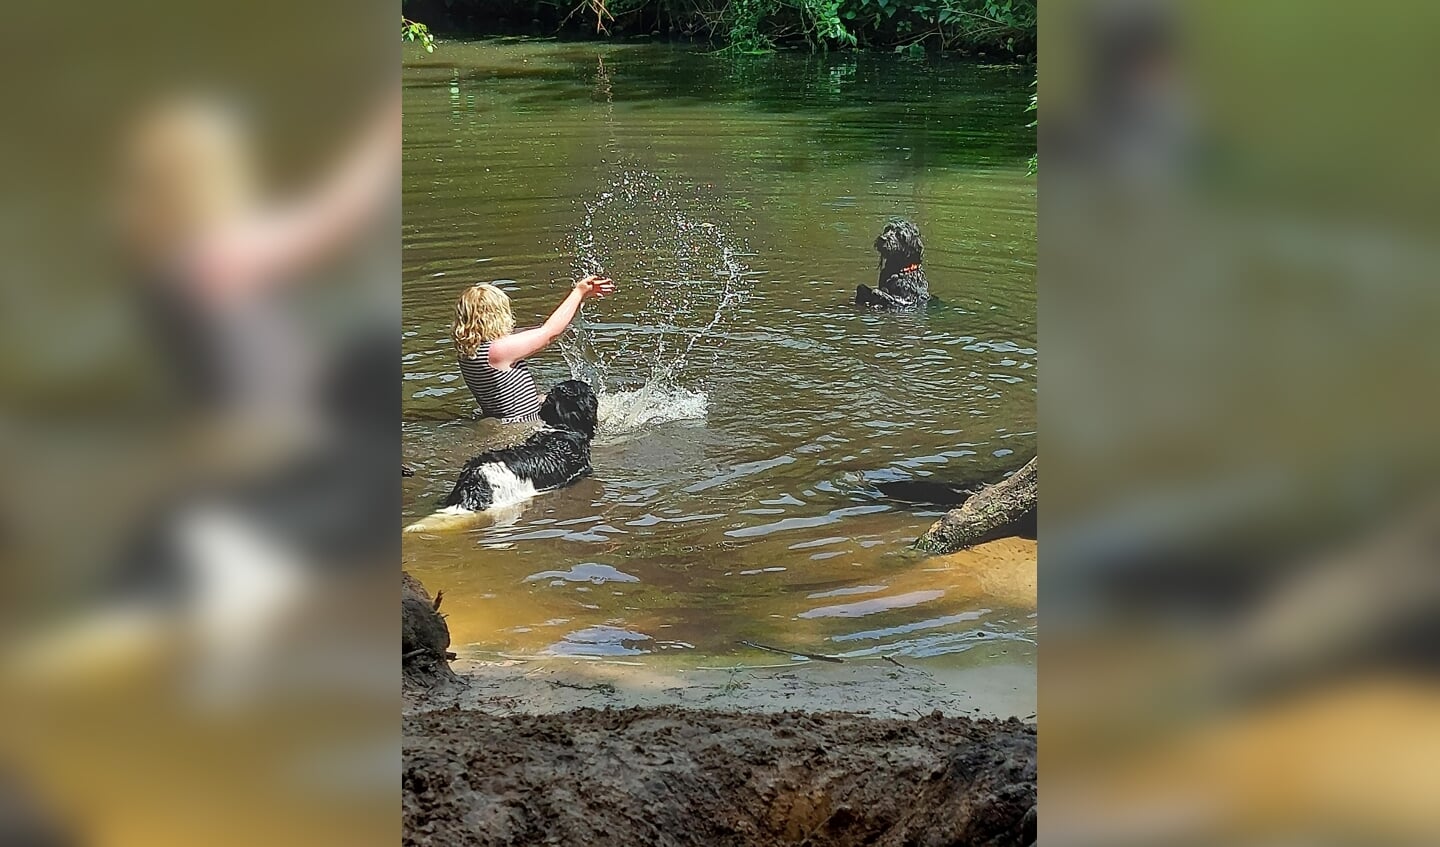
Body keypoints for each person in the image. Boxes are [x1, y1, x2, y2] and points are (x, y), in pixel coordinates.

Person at [453, 276, 614, 423]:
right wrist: (578, 292)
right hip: (524, 426)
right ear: (497, 314)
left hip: (505, 421)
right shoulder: (499, 351)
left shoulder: (469, 349)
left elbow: (539, 332)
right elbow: (550, 332)